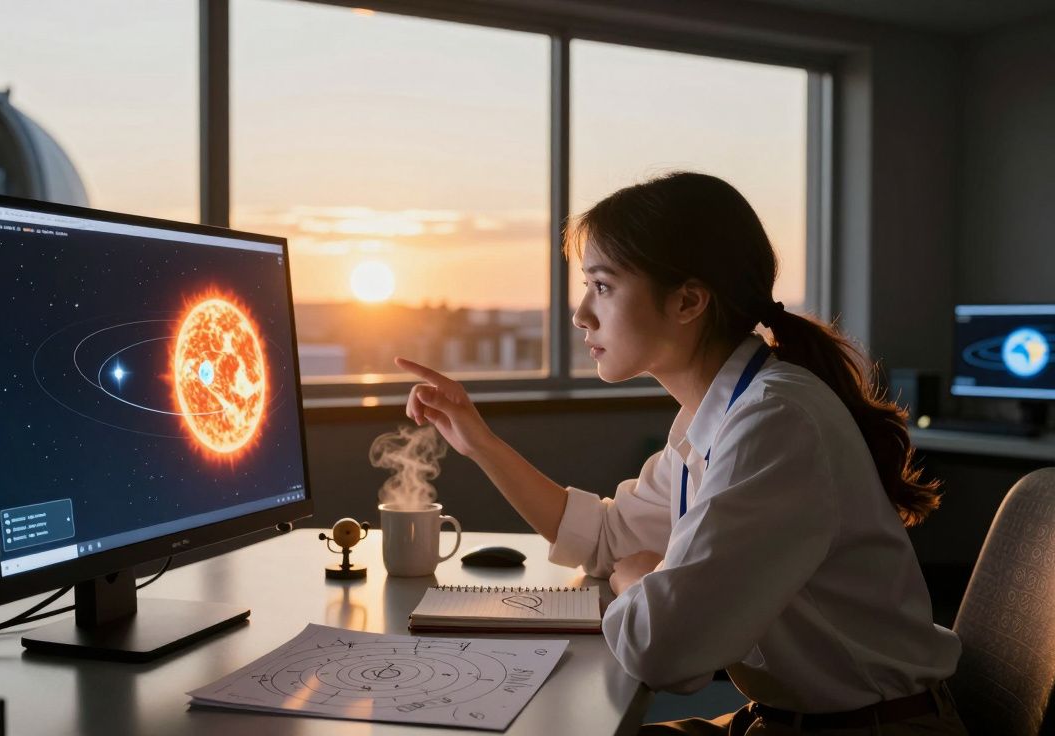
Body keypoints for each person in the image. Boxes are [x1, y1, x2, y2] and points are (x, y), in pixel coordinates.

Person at [396, 171, 967, 735]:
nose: (581, 314)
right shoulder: (716, 414)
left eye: (602, 287)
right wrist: (481, 443)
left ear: (688, 301)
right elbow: (606, 539)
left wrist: (638, 578)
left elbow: (662, 649)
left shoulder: (773, 422)